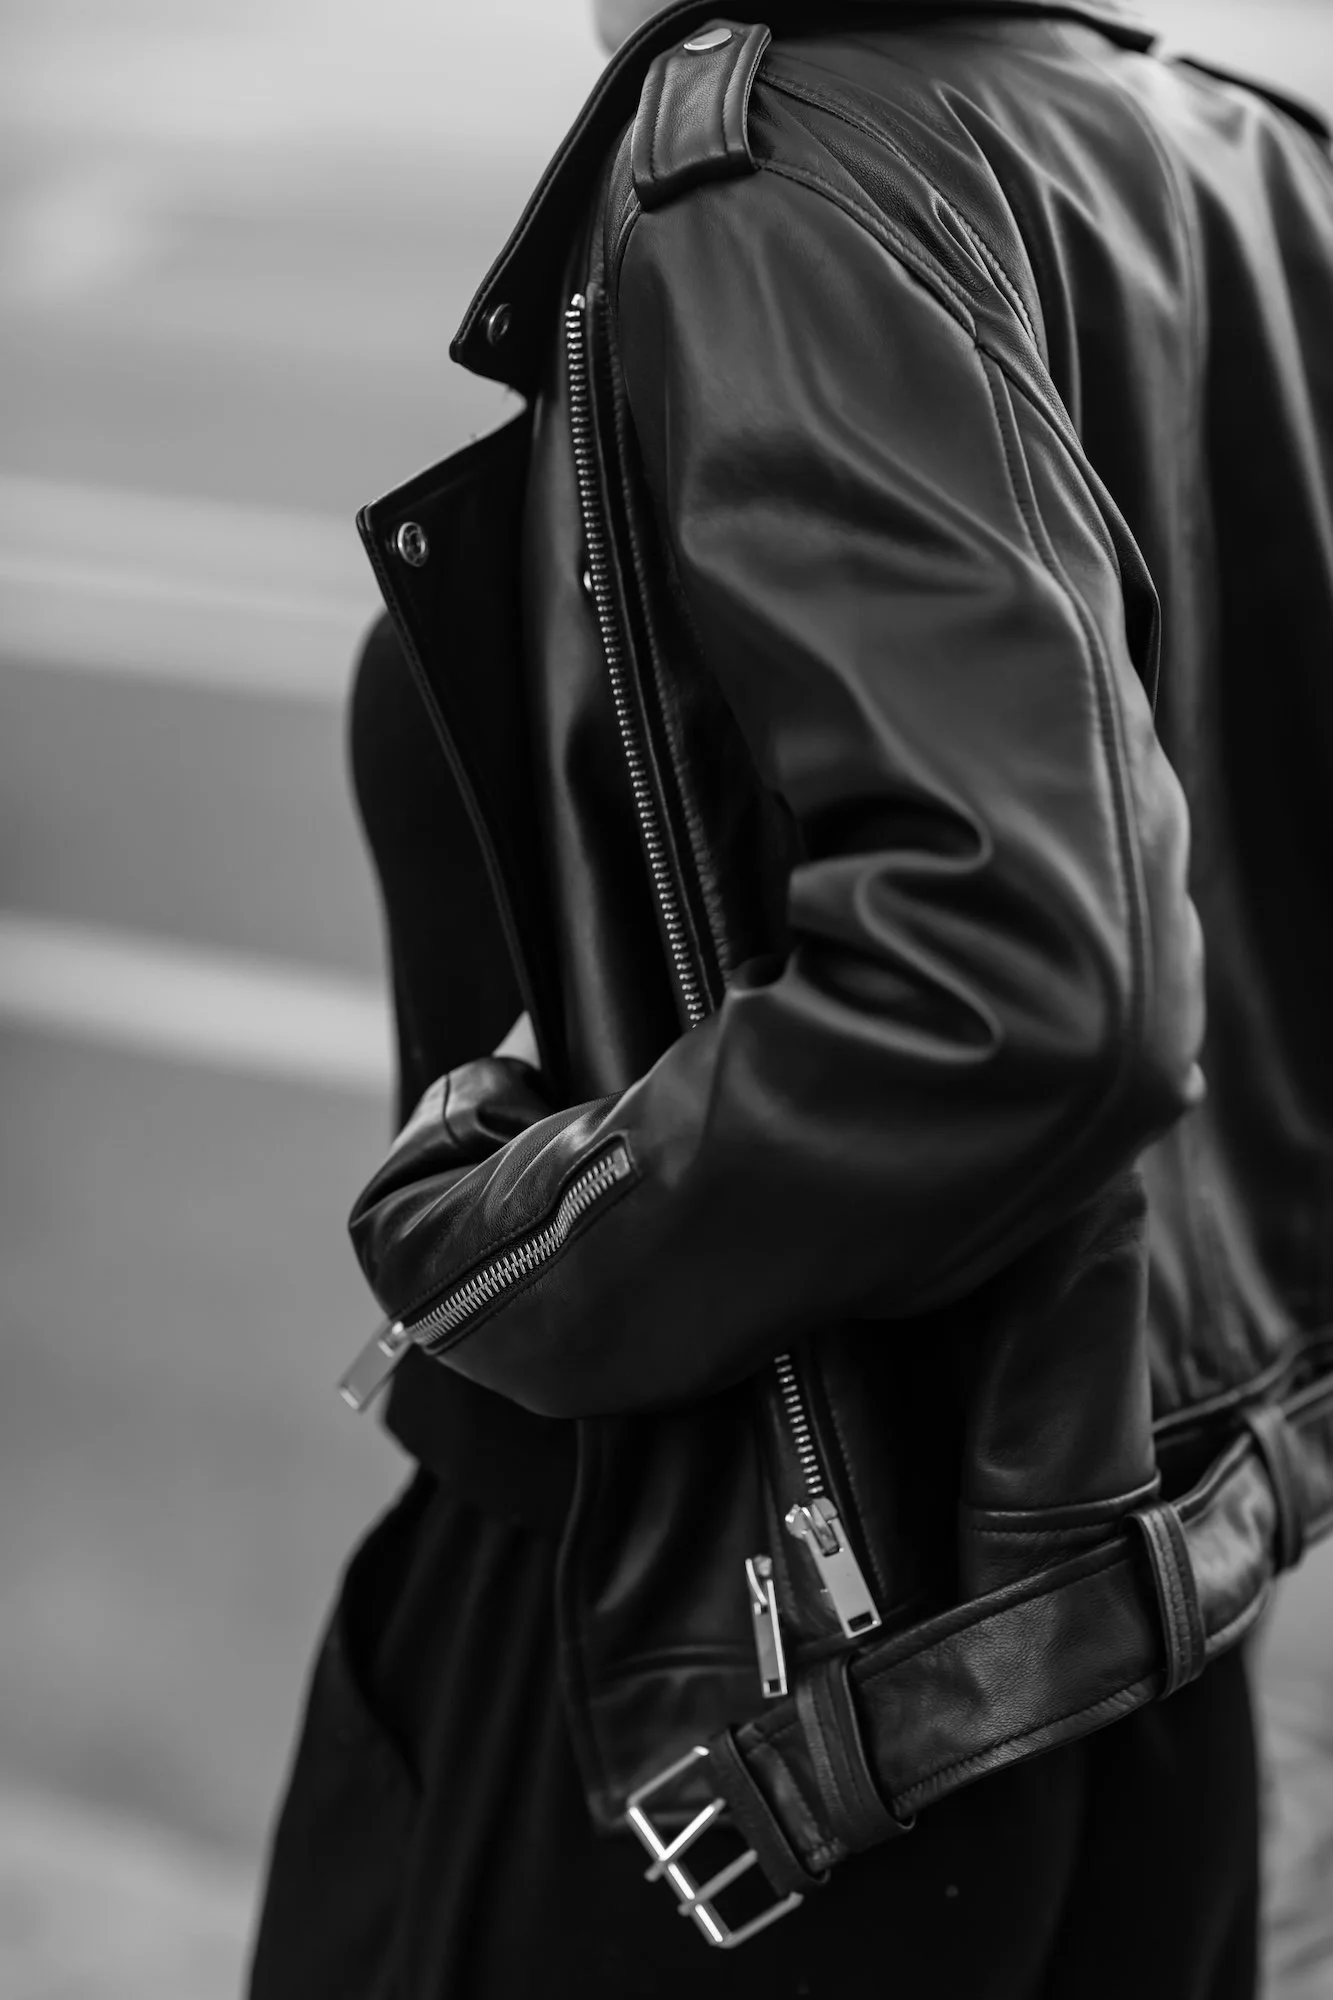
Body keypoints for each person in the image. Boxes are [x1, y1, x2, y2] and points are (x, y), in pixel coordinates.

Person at [248, 3, 1333, 1995]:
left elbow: (1026, 985)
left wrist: (516, 1248)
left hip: (756, 1680)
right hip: (1139, 1625)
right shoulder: (1237, 150)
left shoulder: (778, 176)